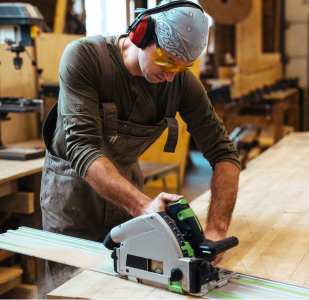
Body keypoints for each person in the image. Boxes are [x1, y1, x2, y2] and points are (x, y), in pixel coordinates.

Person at [40, 0, 240, 292]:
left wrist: (216, 228)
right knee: (70, 291)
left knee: (128, 291)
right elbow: (82, 147)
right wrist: (142, 205)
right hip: (72, 204)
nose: (171, 76)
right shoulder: (84, 57)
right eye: (167, 62)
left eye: (182, 68)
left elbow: (224, 152)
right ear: (141, 35)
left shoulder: (179, 81)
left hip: (129, 202)